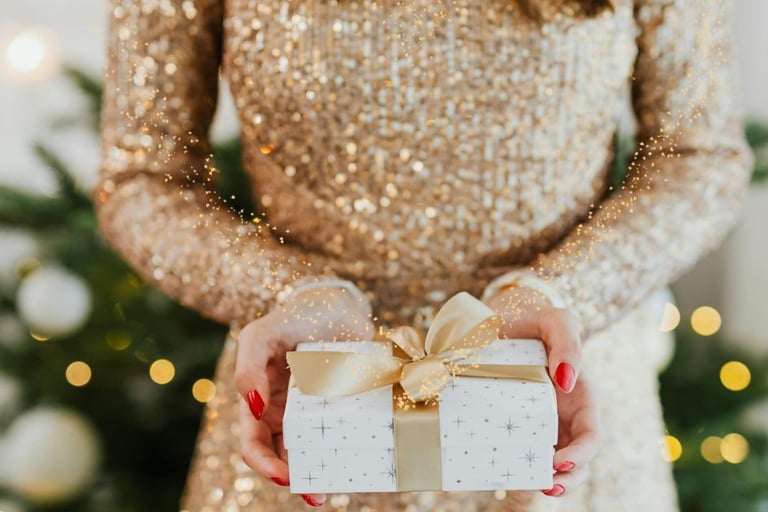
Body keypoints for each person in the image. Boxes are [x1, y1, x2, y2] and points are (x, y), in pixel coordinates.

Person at [95, 0, 753, 510]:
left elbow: (700, 159)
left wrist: (564, 290)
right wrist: (285, 292)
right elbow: (142, 179)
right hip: (319, 404)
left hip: (552, 412)